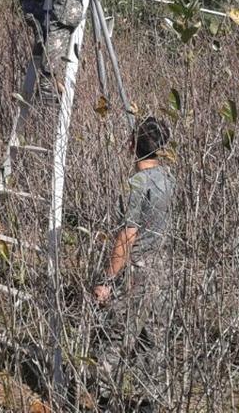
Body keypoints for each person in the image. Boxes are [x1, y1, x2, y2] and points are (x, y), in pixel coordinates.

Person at [92, 116, 176, 411]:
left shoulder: (137, 184)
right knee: (152, 342)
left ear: (131, 145)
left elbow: (127, 235)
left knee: (113, 338)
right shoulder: (169, 179)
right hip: (163, 271)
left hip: (137, 274)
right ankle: (147, 405)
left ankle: (103, 403)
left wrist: (107, 281)